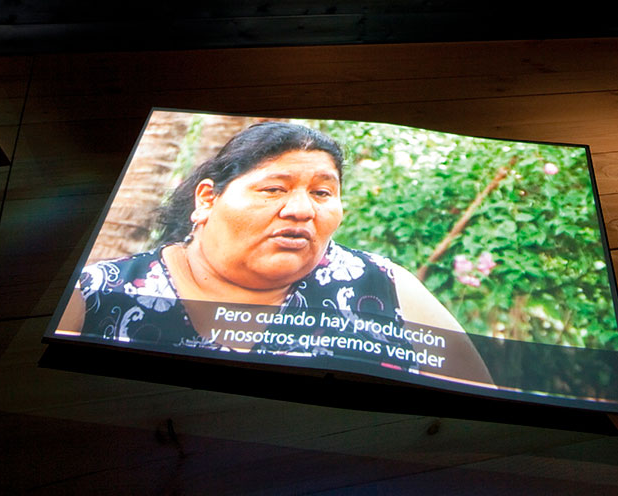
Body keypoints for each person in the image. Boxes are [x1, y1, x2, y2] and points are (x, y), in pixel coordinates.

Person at [57, 122, 491, 385]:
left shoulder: (384, 285)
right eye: (274, 189)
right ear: (207, 199)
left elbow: (478, 408)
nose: (301, 209)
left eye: (322, 192)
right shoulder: (100, 293)